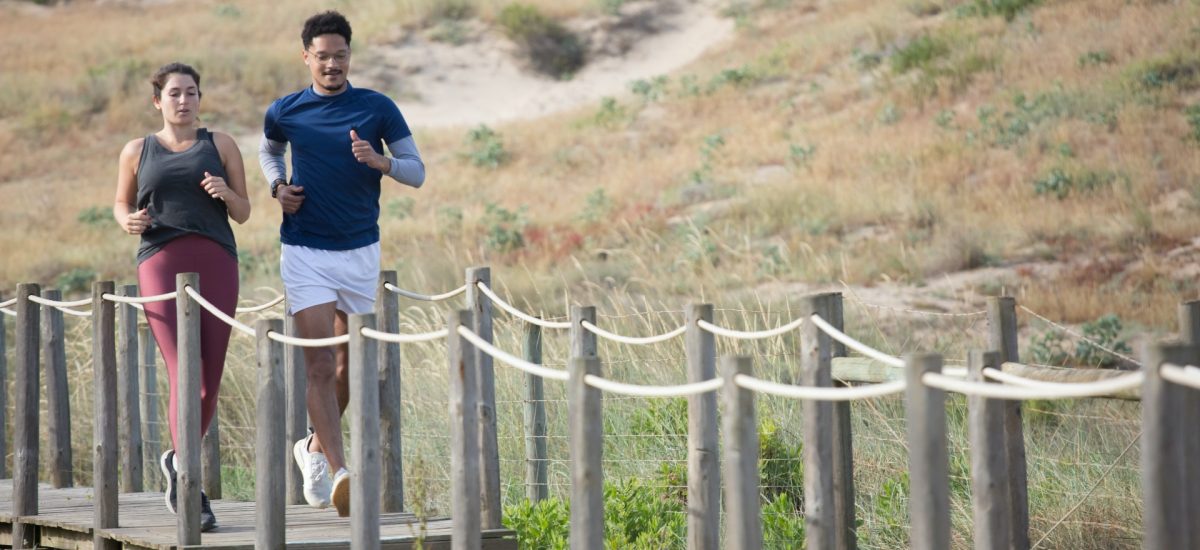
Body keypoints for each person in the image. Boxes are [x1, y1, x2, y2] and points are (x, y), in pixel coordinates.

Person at [258, 10, 426, 517]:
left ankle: (310, 448)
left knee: (352, 366)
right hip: (305, 250)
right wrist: (276, 187)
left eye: (341, 55)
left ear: (351, 55)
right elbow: (269, 152)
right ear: (305, 56)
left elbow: (416, 172)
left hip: (360, 250)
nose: (332, 64)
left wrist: (383, 163)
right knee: (320, 364)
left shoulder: (378, 108)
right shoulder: (284, 110)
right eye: (322, 56)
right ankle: (339, 470)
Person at [113, 62, 250, 531]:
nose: (184, 100)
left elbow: (246, 211)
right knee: (183, 371)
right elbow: (120, 202)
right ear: (158, 101)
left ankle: (174, 460)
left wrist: (225, 191)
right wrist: (126, 220)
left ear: (199, 98)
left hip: (217, 260)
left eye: (191, 92)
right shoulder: (137, 150)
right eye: (174, 93)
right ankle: (191, 479)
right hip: (160, 260)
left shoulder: (222, 144)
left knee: (209, 378)